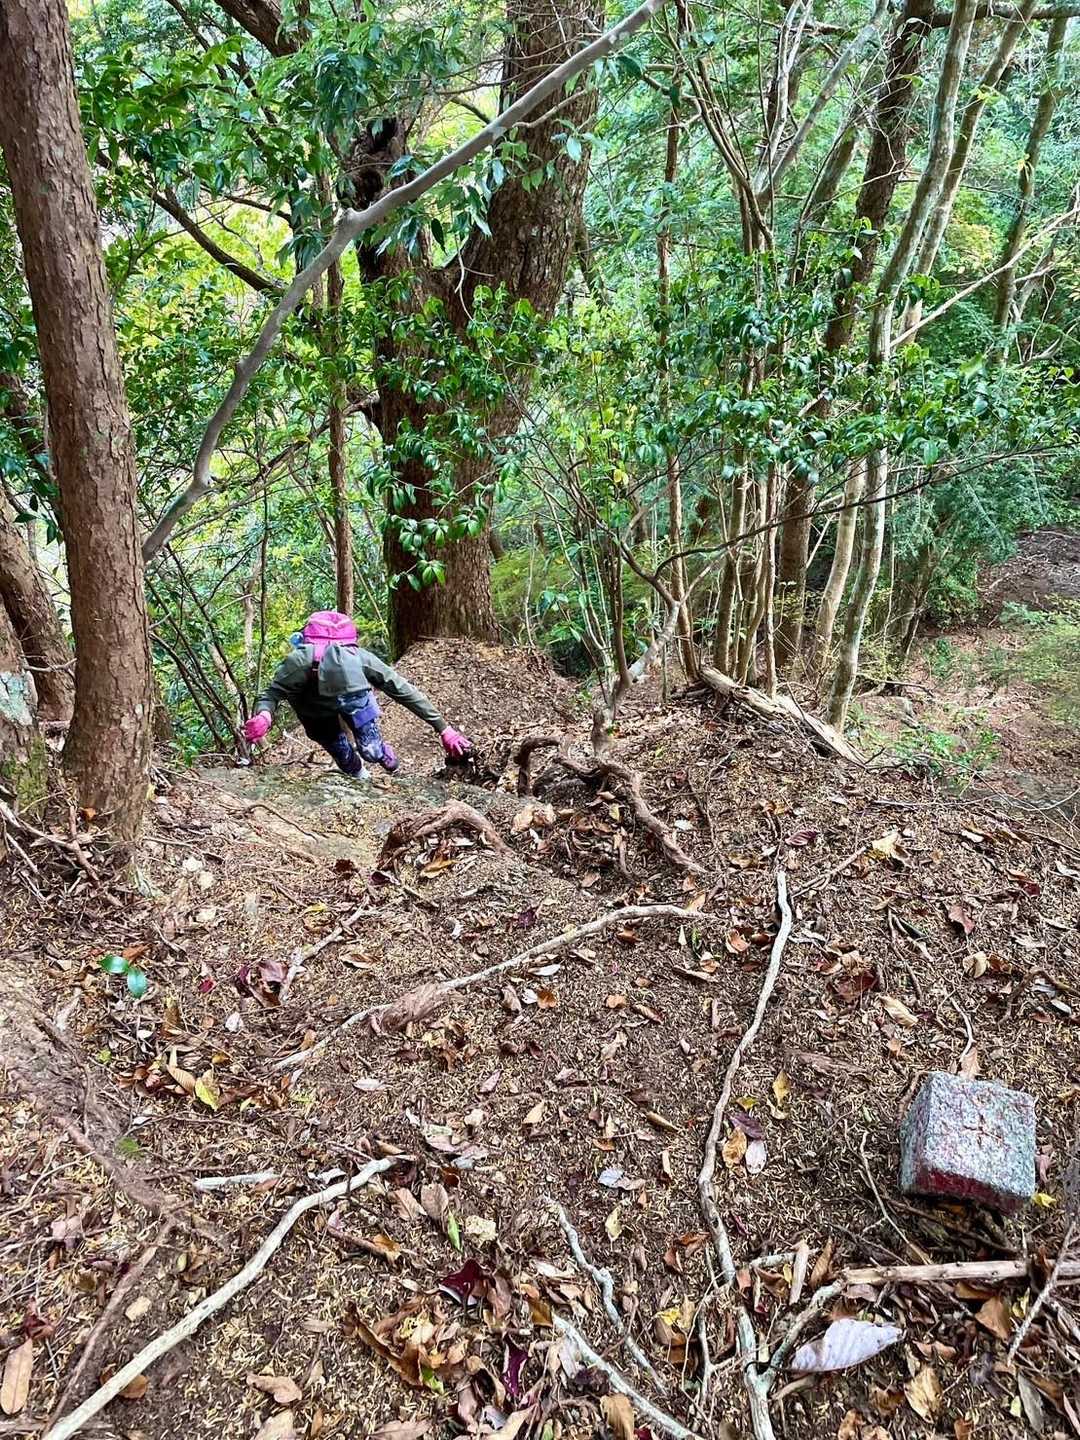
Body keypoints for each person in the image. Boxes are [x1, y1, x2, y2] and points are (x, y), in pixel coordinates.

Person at [241, 610, 471, 777]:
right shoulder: (299, 663)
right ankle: (361, 778)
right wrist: (264, 716)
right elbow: (271, 694)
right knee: (344, 756)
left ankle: (382, 753)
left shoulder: (362, 659)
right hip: (314, 712)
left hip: (356, 701)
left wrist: (444, 729)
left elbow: (403, 690)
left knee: (371, 751)